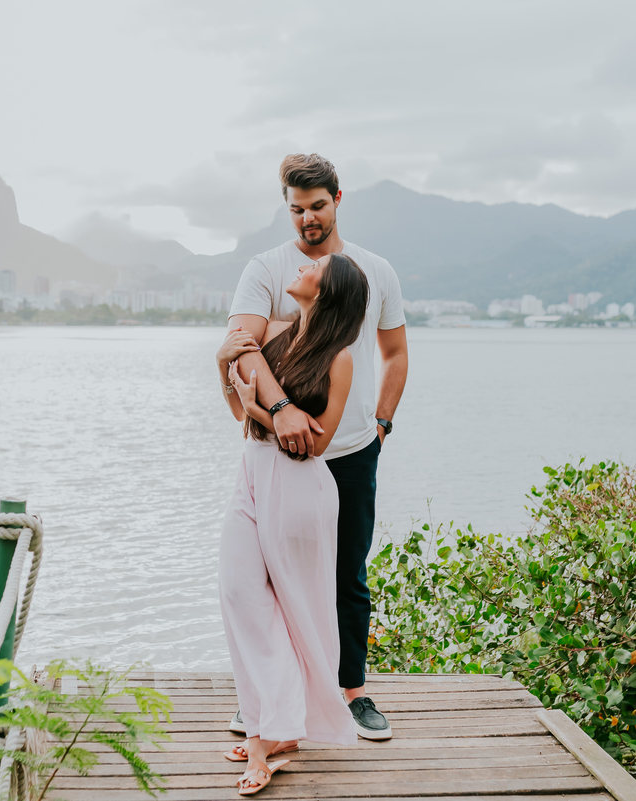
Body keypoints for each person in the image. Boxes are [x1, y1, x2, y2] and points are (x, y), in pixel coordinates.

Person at [222, 153, 409, 743]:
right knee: (265, 578)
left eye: (317, 206)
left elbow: (395, 353)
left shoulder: (374, 270)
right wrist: (282, 412)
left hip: (351, 451)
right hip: (279, 457)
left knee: (347, 574)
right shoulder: (267, 268)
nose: (307, 219)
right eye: (297, 209)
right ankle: (266, 697)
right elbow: (240, 343)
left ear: (337, 199)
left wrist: (380, 426)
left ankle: (351, 693)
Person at [216, 252, 368, 795]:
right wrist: (242, 390)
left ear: (327, 292)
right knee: (239, 593)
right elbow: (242, 412)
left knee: (297, 610)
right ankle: (277, 727)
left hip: (301, 487)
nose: (305, 266)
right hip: (252, 472)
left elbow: (317, 441)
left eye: (317, 268)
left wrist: (264, 408)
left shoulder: (341, 356)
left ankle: (265, 739)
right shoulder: (276, 334)